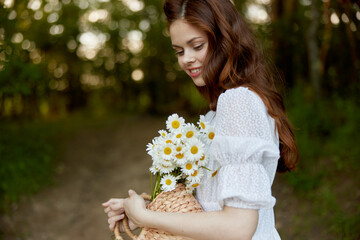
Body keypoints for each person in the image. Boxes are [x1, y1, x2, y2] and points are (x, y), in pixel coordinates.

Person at [102, 0, 299, 239]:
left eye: (197, 46)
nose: (186, 59)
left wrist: (146, 218)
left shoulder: (239, 102)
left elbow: (238, 227)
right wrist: (144, 211)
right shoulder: (223, 108)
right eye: (179, 51)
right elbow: (211, 206)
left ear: (224, 40)